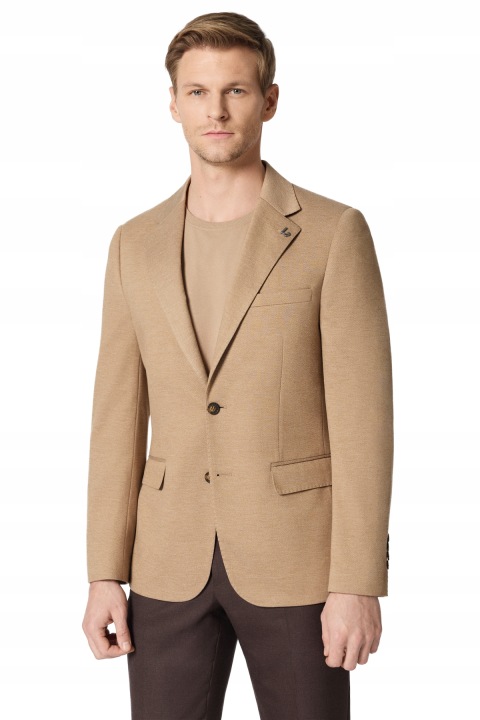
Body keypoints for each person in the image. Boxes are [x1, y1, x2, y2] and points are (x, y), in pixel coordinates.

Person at [82, 11, 394, 720]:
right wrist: (104, 572)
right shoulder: (133, 244)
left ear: (269, 100)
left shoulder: (332, 233)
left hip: (298, 563)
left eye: (236, 91)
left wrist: (357, 581)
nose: (215, 111)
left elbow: (364, 421)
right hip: (166, 561)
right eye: (196, 92)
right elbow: (116, 420)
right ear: (172, 104)